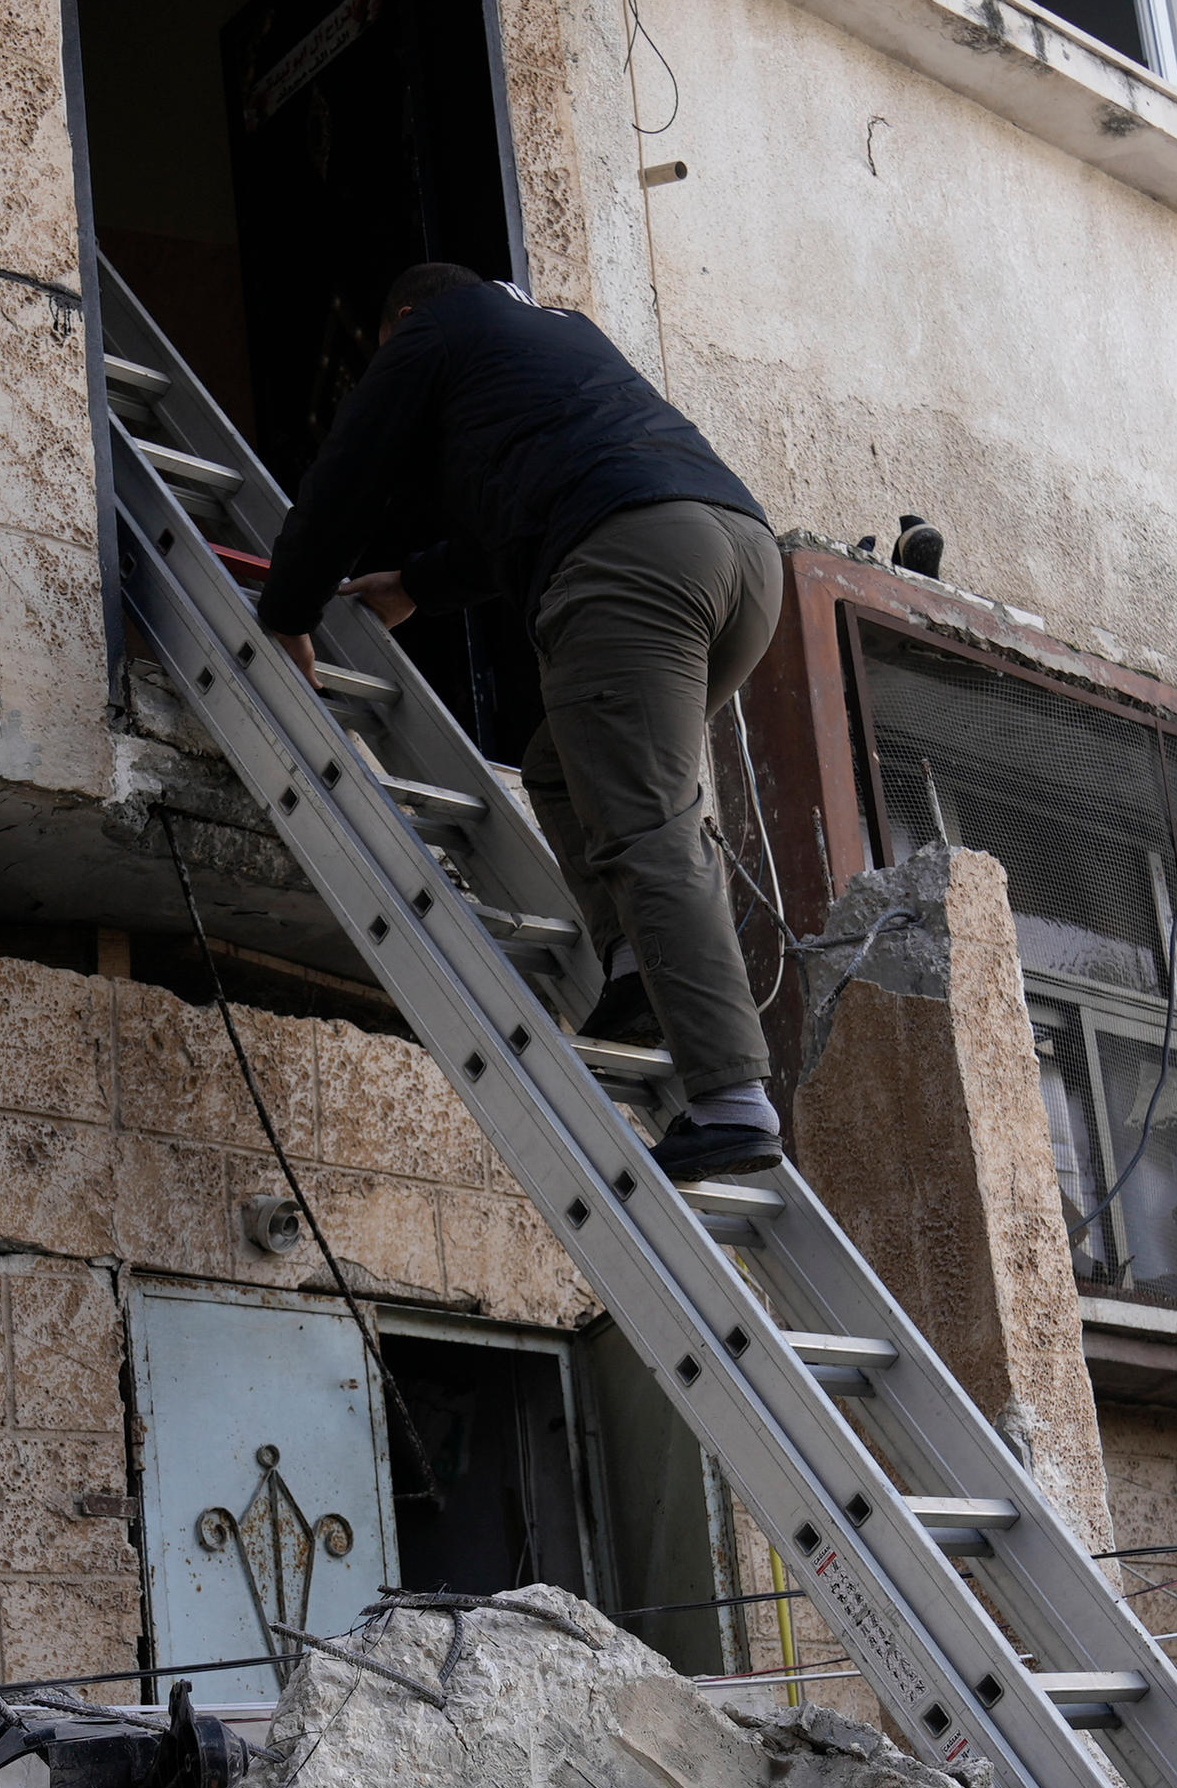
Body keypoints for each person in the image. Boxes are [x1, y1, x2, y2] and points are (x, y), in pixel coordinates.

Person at [254, 265, 789, 1183]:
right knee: (559, 763)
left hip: (637, 559)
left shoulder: (430, 327)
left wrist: (286, 606)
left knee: (645, 822)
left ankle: (733, 1101)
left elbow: (353, 466)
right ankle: (632, 971)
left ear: (405, 316)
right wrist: (418, 584)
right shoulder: (555, 336)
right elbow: (539, 499)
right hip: (741, 557)